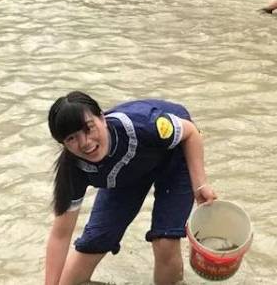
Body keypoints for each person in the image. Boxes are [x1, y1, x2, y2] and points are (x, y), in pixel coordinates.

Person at [43, 92, 217, 285]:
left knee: (165, 242)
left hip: (174, 156)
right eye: (71, 138)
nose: (85, 143)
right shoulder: (73, 170)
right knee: (81, 263)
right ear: (63, 144)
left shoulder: (145, 124)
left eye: (88, 128)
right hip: (125, 175)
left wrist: (200, 184)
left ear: (102, 118)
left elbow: (191, 133)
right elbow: (60, 235)